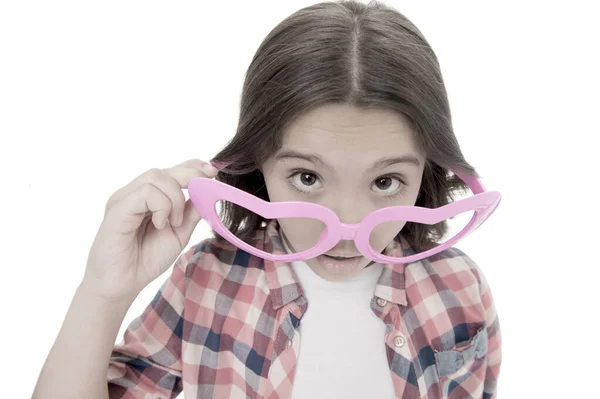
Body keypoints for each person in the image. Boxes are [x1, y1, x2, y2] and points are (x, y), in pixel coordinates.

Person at [33, 0, 502, 398]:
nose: (346, 224)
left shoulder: (460, 285)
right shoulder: (207, 279)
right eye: (306, 176)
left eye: (385, 182)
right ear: (258, 163)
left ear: (429, 170)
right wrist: (102, 293)